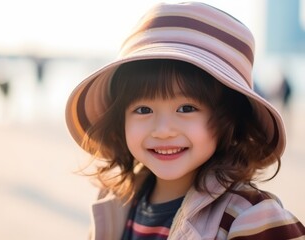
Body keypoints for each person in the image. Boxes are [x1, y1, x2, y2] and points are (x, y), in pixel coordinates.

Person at [65, 2, 305, 239]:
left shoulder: (250, 217)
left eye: (186, 108)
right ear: (120, 119)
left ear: (229, 119)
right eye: (143, 109)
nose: (162, 130)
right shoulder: (116, 203)